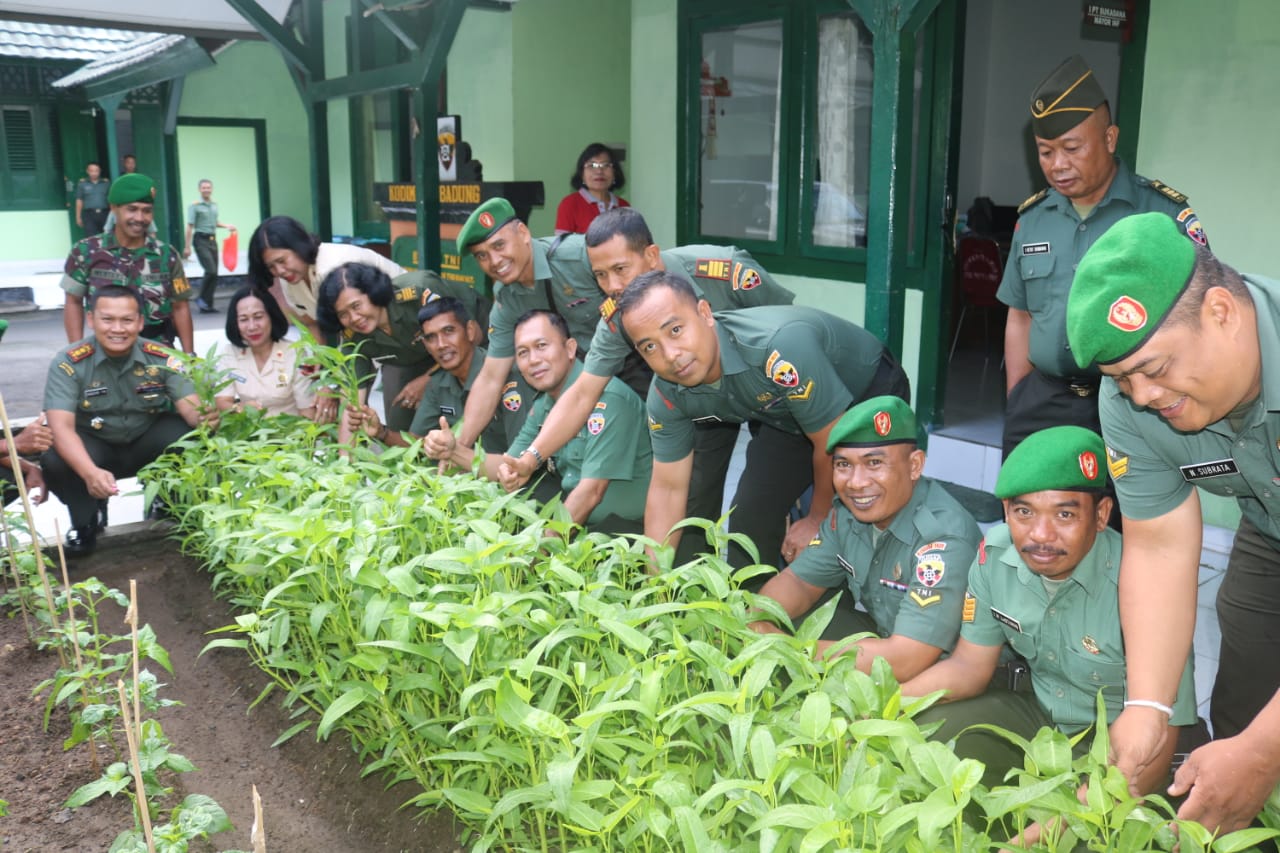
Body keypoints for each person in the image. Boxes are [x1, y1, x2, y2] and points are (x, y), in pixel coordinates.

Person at [1064, 212, 1280, 834]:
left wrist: (1266, 751)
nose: (1141, 397)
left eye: (1154, 370)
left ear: (1221, 312)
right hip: (1271, 527)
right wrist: (1150, 706)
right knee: (1244, 706)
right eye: (1120, 379)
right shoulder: (1132, 403)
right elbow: (1158, 546)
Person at [901, 425, 1196, 792]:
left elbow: (1159, 743)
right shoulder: (995, 557)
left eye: (1064, 515)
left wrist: (1051, 831)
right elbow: (968, 667)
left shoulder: (1146, 587)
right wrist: (888, 710)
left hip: (1124, 748)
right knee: (924, 735)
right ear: (1006, 512)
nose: (1040, 534)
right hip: (1042, 722)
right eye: (1024, 511)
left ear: (1102, 514)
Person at [501, 207, 795, 548]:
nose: (612, 286)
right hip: (703, 401)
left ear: (652, 256)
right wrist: (532, 457)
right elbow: (583, 394)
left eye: (620, 269)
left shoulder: (725, 272)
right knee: (692, 505)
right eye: (600, 275)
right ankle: (682, 587)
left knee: (762, 503)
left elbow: (784, 326)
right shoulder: (619, 317)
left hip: (774, 393)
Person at [616, 271, 910, 569]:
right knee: (749, 517)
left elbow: (831, 441)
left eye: (675, 330)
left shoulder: (777, 348)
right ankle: (755, 607)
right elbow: (668, 489)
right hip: (785, 416)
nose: (670, 355)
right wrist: (655, 583)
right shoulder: (666, 394)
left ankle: (842, 599)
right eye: (649, 347)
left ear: (705, 313)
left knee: (849, 517)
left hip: (864, 395)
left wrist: (818, 519)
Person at [998, 55, 1206, 459]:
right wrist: (1019, 395)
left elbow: (1196, 320)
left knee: (1126, 519)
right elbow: (1020, 314)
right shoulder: (1034, 220)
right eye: (1045, 151)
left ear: (1110, 139)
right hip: (1041, 401)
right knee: (1026, 516)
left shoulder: (1161, 216)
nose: (1057, 165)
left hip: (1134, 404)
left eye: (1071, 148)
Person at [749, 396, 979, 681]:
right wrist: (758, 620)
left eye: (874, 463)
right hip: (886, 637)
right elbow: (798, 582)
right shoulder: (847, 514)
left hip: (944, 670)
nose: (856, 483)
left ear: (915, 465)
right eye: (844, 465)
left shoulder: (942, 538)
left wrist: (787, 649)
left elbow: (906, 659)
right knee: (778, 628)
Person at [41, 285, 207, 556]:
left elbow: (191, 409)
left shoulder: (163, 356)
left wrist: (208, 416)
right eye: (107, 319)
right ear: (91, 320)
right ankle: (86, 521)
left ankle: (166, 503)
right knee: (55, 459)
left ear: (140, 322)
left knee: (186, 435)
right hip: (95, 448)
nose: (118, 329)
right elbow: (60, 429)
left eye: (127, 320)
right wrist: (89, 473)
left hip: (145, 442)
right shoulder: (68, 362)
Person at [453, 197, 604, 453]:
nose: (495, 260)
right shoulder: (506, 298)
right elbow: (491, 377)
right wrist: (458, 448)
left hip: (631, 371)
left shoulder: (579, 257)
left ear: (523, 233)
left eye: (499, 245)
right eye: (482, 255)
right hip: (578, 389)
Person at [492, 310, 651, 536]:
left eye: (541, 345)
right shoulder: (544, 405)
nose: (534, 359)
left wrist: (537, 555)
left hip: (626, 535)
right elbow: (513, 460)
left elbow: (591, 493)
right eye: (523, 352)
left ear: (570, 348)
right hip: (579, 525)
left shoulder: (608, 398)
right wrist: (502, 470)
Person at [344, 297, 528, 463]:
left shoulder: (505, 376)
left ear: (470, 331)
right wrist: (381, 432)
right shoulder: (438, 383)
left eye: (449, 331)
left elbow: (522, 454)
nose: (441, 345)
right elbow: (418, 444)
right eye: (431, 337)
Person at [317, 262, 487, 438]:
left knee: (470, 412)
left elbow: (468, 338)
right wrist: (345, 458)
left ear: (373, 294)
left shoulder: (418, 291)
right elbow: (352, 403)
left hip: (475, 343)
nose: (354, 318)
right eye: (343, 314)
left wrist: (427, 379)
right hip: (418, 357)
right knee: (398, 426)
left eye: (356, 306)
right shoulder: (352, 336)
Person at [60, 173, 195, 354]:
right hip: (105, 354)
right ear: (114, 208)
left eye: (146, 211)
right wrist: (76, 353)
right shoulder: (86, 252)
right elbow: (73, 302)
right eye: (132, 209)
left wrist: (189, 356)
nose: (140, 218)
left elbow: (180, 306)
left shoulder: (167, 255)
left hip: (158, 353)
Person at [247, 215, 405, 344]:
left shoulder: (332, 268)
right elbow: (310, 322)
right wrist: (318, 361)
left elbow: (357, 325)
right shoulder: (290, 280)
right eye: (271, 267)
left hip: (403, 322)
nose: (279, 271)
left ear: (298, 246)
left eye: (282, 261)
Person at [214, 285, 317, 419]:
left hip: (290, 434)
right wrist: (239, 408)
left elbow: (307, 410)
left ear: (272, 317)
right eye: (244, 319)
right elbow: (222, 401)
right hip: (247, 434)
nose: (252, 327)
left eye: (258, 317)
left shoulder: (296, 352)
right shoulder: (230, 353)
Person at [184, 179, 236, 314]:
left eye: (208, 187)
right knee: (211, 270)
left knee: (215, 273)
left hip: (212, 241)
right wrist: (187, 247)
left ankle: (207, 304)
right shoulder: (194, 206)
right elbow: (190, 226)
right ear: (199, 190)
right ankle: (201, 298)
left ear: (211, 189)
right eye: (203, 188)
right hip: (200, 240)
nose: (206, 190)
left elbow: (214, 222)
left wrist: (226, 226)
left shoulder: (214, 205)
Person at [555, 143, 629, 235]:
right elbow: (562, 246)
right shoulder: (570, 204)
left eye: (605, 165)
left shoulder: (624, 207)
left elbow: (632, 244)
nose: (599, 171)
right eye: (592, 166)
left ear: (615, 173)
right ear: (582, 174)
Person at [74, 161, 110, 237]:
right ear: (87, 171)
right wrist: (78, 217)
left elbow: (111, 200)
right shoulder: (82, 184)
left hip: (104, 213)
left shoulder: (106, 183)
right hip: (89, 215)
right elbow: (79, 200)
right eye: (91, 171)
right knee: (90, 237)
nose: (94, 173)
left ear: (100, 171)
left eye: (96, 171)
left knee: (106, 236)